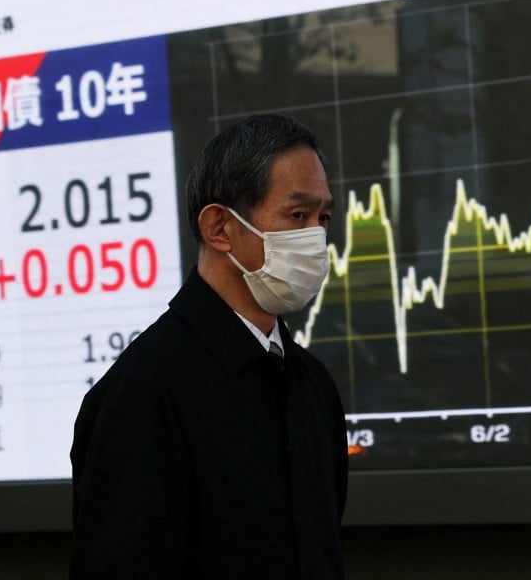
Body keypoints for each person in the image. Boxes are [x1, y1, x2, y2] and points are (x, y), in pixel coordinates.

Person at [70, 114, 347, 579]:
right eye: (298, 216)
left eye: (323, 218)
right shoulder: (144, 391)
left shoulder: (311, 384)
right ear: (219, 228)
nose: (315, 238)